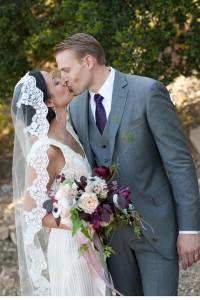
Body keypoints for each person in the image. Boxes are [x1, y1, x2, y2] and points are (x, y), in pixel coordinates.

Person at [55, 32, 200, 296]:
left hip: (157, 229)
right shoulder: (76, 110)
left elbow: (179, 163)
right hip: (111, 240)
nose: (63, 78)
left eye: (66, 69)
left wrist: (191, 229)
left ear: (88, 61)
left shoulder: (146, 92)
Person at [11, 69, 110, 296]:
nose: (64, 80)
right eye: (56, 82)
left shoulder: (70, 132)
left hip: (90, 241)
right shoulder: (45, 149)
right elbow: (31, 209)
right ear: (48, 101)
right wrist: (75, 220)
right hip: (70, 250)